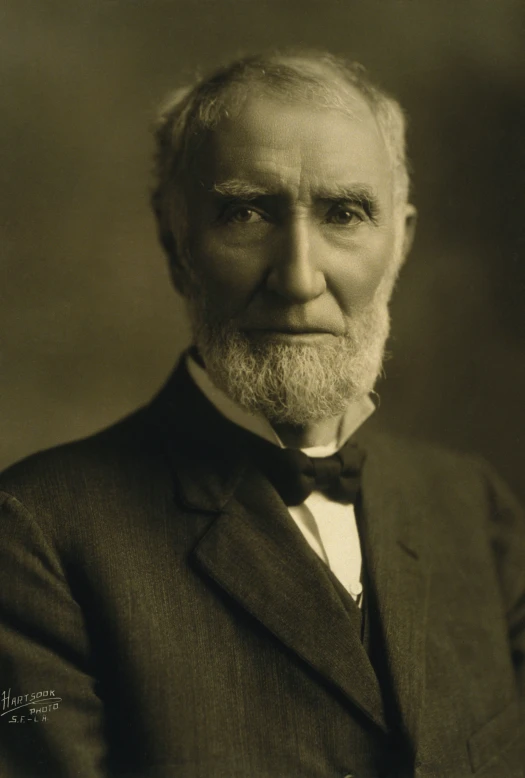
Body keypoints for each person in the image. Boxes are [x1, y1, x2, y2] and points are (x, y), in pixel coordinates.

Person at [0, 50, 523, 778]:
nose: (299, 277)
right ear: (175, 242)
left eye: (345, 214)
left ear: (399, 240)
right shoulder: (34, 534)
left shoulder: (475, 510)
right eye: (246, 213)